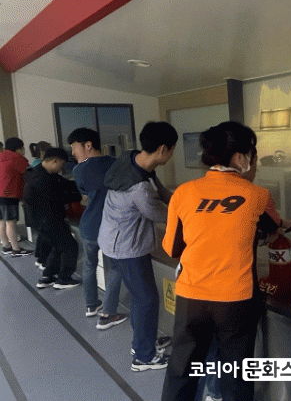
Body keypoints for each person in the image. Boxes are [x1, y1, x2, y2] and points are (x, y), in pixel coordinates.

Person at [161, 121, 291, 401]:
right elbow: (271, 228)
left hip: (191, 297)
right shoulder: (257, 195)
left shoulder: (183, 193)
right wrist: (284, 225)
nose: (255, 164)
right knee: (235, 373)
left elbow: (172, 248)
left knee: (182, 368)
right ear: (240, 158)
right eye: (253, 156)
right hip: (236, 301)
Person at [98, 121, 177, 372]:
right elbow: (160, 214)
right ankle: (143, 356)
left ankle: (143, 342)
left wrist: (185, 200)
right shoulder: (139, 188)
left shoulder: (133, 160)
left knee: (141, 297)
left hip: (117, 240)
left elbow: (162, 192)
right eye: (172, 149)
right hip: (126, 247)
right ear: (163, 149)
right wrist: (193, 216)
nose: (172, 155)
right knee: (146, 300)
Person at [68, 128, 127, 329]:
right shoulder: (116, 164)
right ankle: (108, 312)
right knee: (116, 267)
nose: (73, 152)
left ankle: (91, 305)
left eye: (74, 147)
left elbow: (85, 194)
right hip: (111, 227)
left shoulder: (78, 171)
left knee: (89, 265)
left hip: (89, 226)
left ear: (88, 145)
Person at [24, 148, 83, 289]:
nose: (62, 168)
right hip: (47, 220)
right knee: (70, 246)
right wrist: (80, 196)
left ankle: (47, 277)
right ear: (55, 161)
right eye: (61, 164)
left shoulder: (43, 173)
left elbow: (64, 184)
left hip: (43, 220)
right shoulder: (40, 179)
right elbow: (59, 197)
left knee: (58, 247)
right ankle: (64, 279)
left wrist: (81, 186)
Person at [0, 137, 33, 257]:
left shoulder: (1, 156)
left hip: (0, 193)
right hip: (9, 194)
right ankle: (16, 249)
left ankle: (6, 246)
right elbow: (30, 173)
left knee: (2, 222)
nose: (24, 151)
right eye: (22, 148)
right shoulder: (16, 158)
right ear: (18, 148)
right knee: (11, 222)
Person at [27, 141, 53, 268]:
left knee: (42, 235)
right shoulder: (40, 167)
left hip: (36, 208)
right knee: (46, 236)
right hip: (42, 208)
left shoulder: (34, 164)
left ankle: (40, 258)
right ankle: (44, 261)